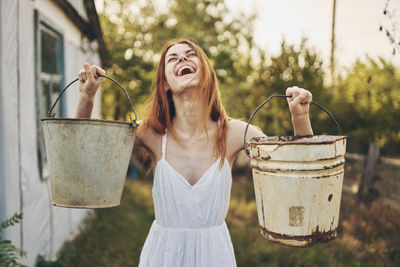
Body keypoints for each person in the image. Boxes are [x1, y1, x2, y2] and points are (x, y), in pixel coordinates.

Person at [75, 38, 313, 267]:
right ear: (165, 83)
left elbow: (298, 173)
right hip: (163, 255)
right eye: (173, 58)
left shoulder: (235, 133)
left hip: (214, 256)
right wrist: (87, 97)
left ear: (206, 73)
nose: (182, 60)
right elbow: (84, 148)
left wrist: (300, 117)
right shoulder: (152, 133)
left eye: (190, 55)